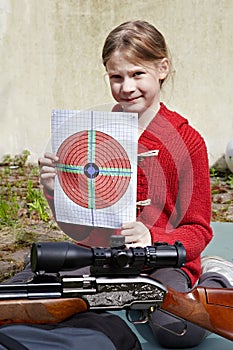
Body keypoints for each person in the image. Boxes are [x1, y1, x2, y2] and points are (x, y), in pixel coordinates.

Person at [3, 20, 233, 349]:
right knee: (25, 300)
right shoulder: (91, 135)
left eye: (137, 74)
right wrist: (56, 190)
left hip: (163, 262)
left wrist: (153, 236)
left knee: (179, 332)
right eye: (116, 76)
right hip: (100, 254)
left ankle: (217, 276)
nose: (126, 87)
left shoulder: (187, 141)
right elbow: (77, 228)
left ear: (162, 69)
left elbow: (198, 229)